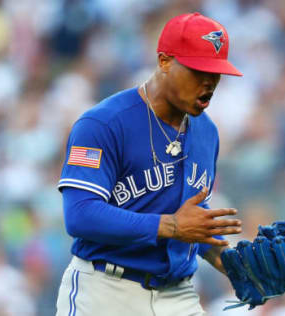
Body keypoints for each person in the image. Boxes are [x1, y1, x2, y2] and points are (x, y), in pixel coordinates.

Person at [55, 12, 243, 316]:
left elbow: (192, 224)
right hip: (106, 290)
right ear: (165, 61)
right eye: (198, 71)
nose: (209, 83)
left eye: (216, 73)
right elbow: (80, 215)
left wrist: (234, 264)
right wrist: (170, 225)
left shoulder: (207, 132)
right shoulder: (103, 123)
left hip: (178, 295)